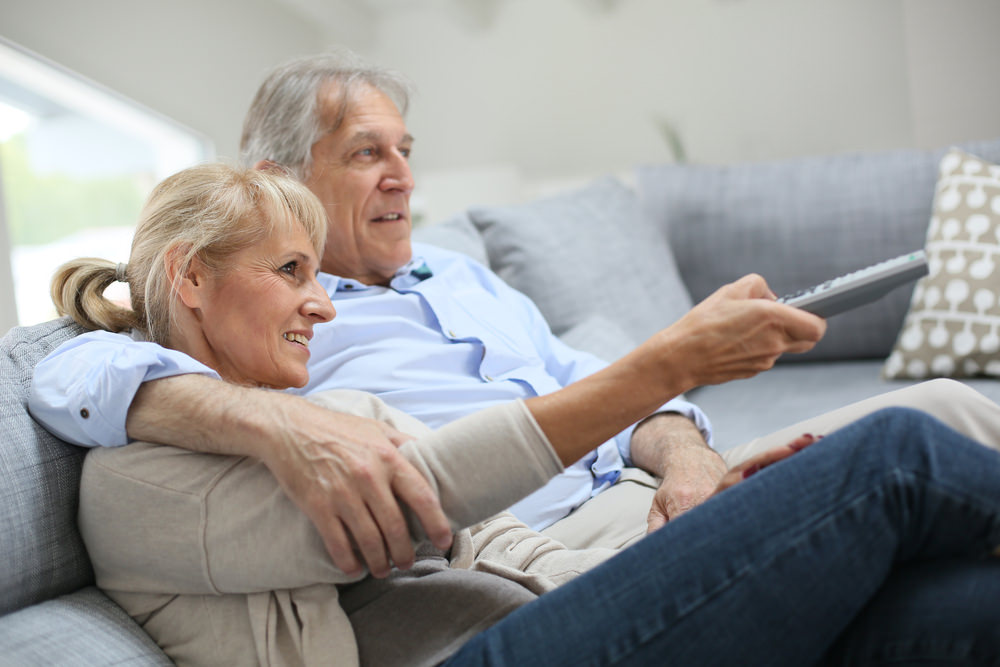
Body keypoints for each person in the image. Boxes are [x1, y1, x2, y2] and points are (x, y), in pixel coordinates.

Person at [28, 50, 1000, 580]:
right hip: (544, 552)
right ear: (281, 177)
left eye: (407, 147)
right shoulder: (272, 321)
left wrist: (694, 461)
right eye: (368, 154)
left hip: (653, 500)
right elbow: (70, 367)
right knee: (923, 452)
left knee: (948, 408)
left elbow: (595, 384)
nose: (404, 175)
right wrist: (262, 416)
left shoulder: (459, 275)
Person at [56, 162, 1000, 666]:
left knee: (955, 607)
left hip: (561, 609)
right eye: (292, 273)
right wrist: (668, 364)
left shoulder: (328, 413)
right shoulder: (136, 479)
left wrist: (711, 538)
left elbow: (498, 545)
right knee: (893, 458)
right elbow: (432, 498)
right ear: (190, 275)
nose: (325, 303)